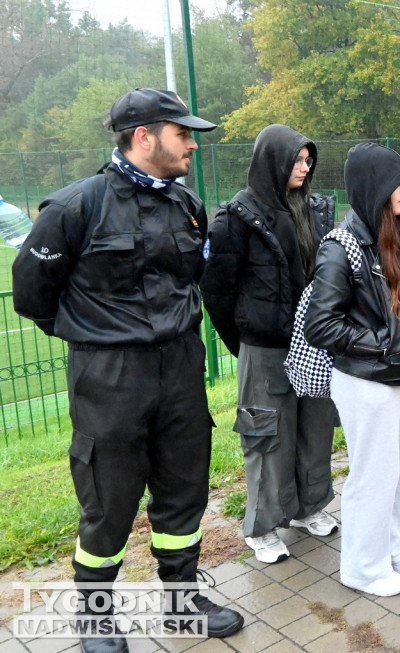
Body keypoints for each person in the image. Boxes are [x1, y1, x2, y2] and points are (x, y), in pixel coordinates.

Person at [12, 88, 244, 652]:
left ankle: (182, 602)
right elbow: (32, 296)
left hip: (181, 370)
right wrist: (98, 337)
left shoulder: (185, 205)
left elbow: (191, 279)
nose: (192, 143)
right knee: (110, 500)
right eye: (183, 133)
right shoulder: (75, 207)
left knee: (183, 488)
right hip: (110, 378)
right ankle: (94, 616)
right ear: (144, 137)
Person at [304, 142, 400, 597]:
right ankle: (362, 567)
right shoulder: (339, 248)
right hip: (366, 378)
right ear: (372, 189)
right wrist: (381, 346)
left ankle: (394, 547)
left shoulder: (392, 237)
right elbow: (320, 324)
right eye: (396, 184)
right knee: (372, 474)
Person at [201, 124, 339, 565]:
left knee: (315, 429)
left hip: (314, 344)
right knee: (266, 437)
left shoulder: (316, 210)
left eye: (307, 160)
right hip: (264, 349)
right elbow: (217, 293)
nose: (304, 168)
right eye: (296, 160)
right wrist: (246, 342)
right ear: (272, 162)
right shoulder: (236, 219)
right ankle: (262, 528)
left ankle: (308, 508)